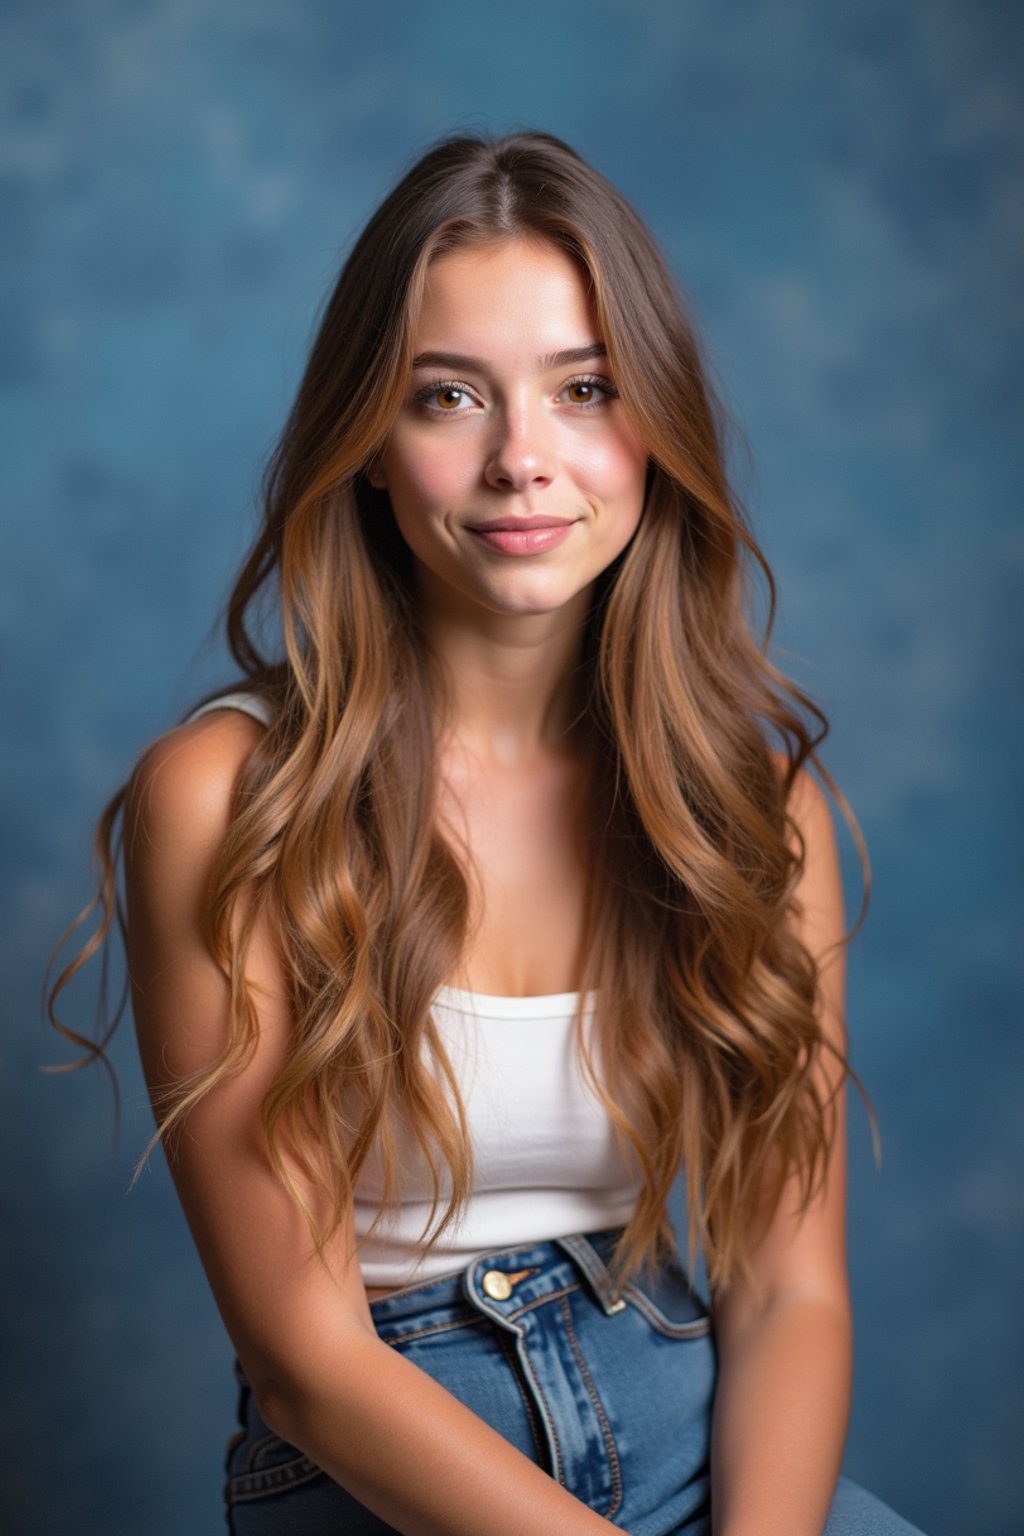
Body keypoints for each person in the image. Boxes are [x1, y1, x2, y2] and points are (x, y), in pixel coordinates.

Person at [47, 131, 924, 1535]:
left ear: (657, 435)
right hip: (378, 1473)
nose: (525, 460)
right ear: (369, 449)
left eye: (587, 391)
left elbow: (788, 1288)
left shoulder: (754, 813)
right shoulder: (229, 801)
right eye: (448, 397)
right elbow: (304, 1363)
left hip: (690, 1427)